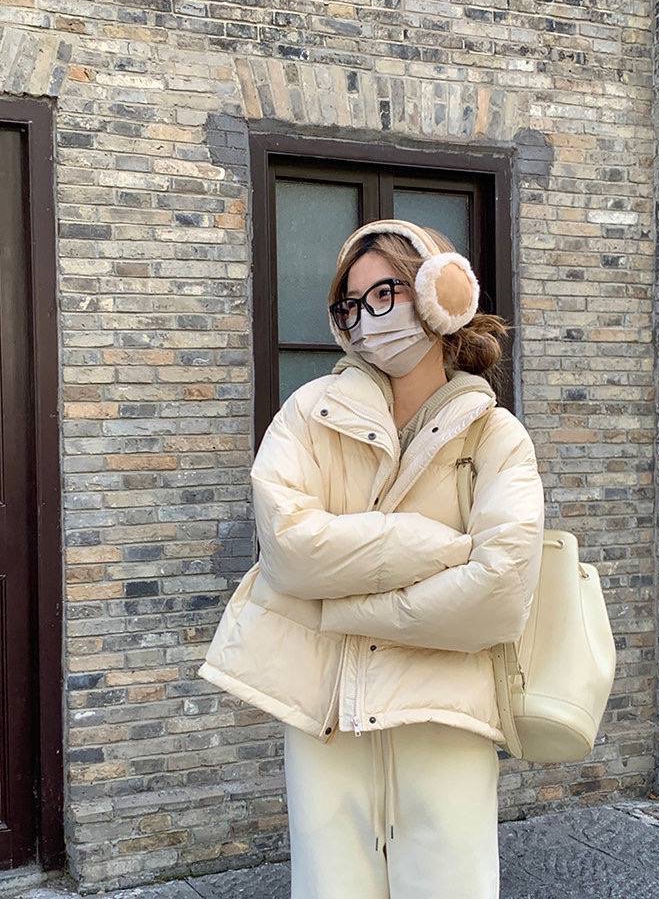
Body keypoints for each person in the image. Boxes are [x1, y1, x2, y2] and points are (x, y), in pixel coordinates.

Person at [197, 218, 546, 899]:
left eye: (384, 293)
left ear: (440, 295)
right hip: (325, 711)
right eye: (350, 304)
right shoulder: (309, 415)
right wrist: (436, 548)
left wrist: (342, 608)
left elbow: (500, 591)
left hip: (444, 716)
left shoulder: (496, 437)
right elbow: (290, 552)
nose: (367, 318)